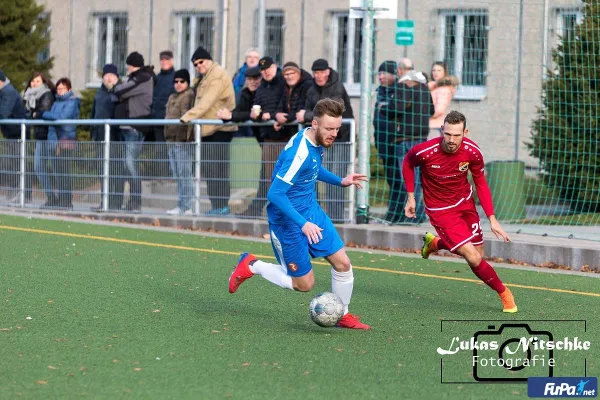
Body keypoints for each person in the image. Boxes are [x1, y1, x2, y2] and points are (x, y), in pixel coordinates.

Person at [228, 98, 371, 330]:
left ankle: (342, 314)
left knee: (343, 264)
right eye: (329, 129)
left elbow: (313, 169)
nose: (334, 133)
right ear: (315, 124)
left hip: (311, 212)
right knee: (303, 284)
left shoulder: (313, 140)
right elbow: (275, 194)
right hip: (288, 222)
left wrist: (340, 181)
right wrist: (302, 223)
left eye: (337, 128)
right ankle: (252, 264)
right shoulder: (299, 152)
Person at [402, 110, 517, 313]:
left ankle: (436, 242)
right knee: (472, 257)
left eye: (457, 135)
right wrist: (411, 197)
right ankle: (505, 294)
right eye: (447, 134)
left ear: (466, 132)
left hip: (465, 204)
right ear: (441, 130)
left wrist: (492, 218)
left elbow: (480, 182)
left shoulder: (473, 152)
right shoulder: (425, 151)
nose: (452, 140)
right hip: (440, 210)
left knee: (478, 254)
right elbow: (408, 163)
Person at [180, 46, 237, 215]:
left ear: (209, 60)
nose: (198, 66)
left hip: (219, 129)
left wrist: (186, 118)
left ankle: (221, 206)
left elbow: (206, 103)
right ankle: (217, 206)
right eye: (195, 64)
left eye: (201, 62)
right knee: (211, 170)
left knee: (217, 169)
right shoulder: (205, 77)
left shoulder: (217, 75)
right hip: (208, 129)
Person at [298, 59, 354, 222]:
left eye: (322, 72)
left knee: (335, 175)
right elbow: (307, 108)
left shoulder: (336, 87)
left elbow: (331, 113)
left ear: (328, 72)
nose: (319, 76)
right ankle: (316, 215)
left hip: (340, 138)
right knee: (315, 174)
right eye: (316, 73)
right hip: (321, 139)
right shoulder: (312, 89)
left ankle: (336, 217)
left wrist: (306, 116)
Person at [114, 51, 155, 212]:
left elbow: (119, 91)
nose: (127, 68)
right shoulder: (137, 78)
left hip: (134, 127)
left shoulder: (142, 78)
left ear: (131, 65)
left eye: (128, 65)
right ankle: (132, 201)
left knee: (130, 164)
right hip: (128, 126)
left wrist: (120, 91)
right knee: (127, 164)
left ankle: (136, 201)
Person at [41, 77, 80, 209]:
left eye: (62, 88)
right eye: (58, 89)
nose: (59, 91)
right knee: (57, 171)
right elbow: (55, 117)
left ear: (69, 89)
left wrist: (44, 114)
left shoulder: (72, 102)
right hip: (54, 140)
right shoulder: (57, 102)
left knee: (64, 171)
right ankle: (61, 198)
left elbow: (61, 118)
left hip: (65, 140)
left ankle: (66, 200)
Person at [90, 64, 125, 211]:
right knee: (102, 170)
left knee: (115, 171)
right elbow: (93, 113)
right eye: (106, 75)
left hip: (115, 138)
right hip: (100, 138)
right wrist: (93, 132)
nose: (109, 78)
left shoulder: (121, 92)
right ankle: (105, 201)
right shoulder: (100, 93)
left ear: (117, 77)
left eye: (112, 75)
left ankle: (116, 203)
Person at [164, 69, 195, 215]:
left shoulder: (189, 95)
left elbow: (186, 118)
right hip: (171, 140)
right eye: (176, 81)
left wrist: (183, 139)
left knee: (185, 174)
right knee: (177, 174)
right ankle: (181, 204)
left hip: (182, 142)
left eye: (182, 81)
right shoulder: (172, 97)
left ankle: (187, 206)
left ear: (187, 82)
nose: (178, 84)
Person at [24, 72, 55, 204]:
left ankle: (60, 199)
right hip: (40, 136)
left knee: (54, 167)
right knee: (38, 167)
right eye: (33, 81)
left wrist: (34, 114)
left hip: (49, 135)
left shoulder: (47, 94)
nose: (34, 83)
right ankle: (51, 197)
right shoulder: (29, 95)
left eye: (37, 81)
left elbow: (42, 113)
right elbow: (27, 113)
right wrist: (34, 114)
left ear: (43, 82)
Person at [427, 61, 458, 139]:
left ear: (444, 72)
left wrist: (424, 116)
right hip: (430, 124)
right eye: (434, 70)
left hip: (435, 125)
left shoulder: (443, 89)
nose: (436, 73)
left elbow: (439, 110)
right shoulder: (433, 87)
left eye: (439, 70)